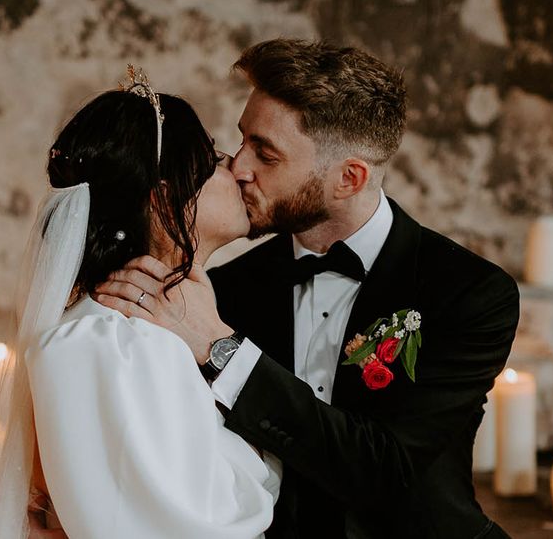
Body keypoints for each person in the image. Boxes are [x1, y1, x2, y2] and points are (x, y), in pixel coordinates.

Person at [95, 39, 520, 538]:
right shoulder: (220, 291)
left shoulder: (470, 293)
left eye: (266, 154)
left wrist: (222, 352)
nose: (238, 168)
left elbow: (385, 469)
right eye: (243, 140)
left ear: (348, 179)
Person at [0, 72, 278, 539]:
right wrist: (265, 452)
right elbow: (199, 525)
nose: (235, 168)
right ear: (165, 199)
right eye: (213, 159)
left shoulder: (157, 331)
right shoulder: (115, 342)